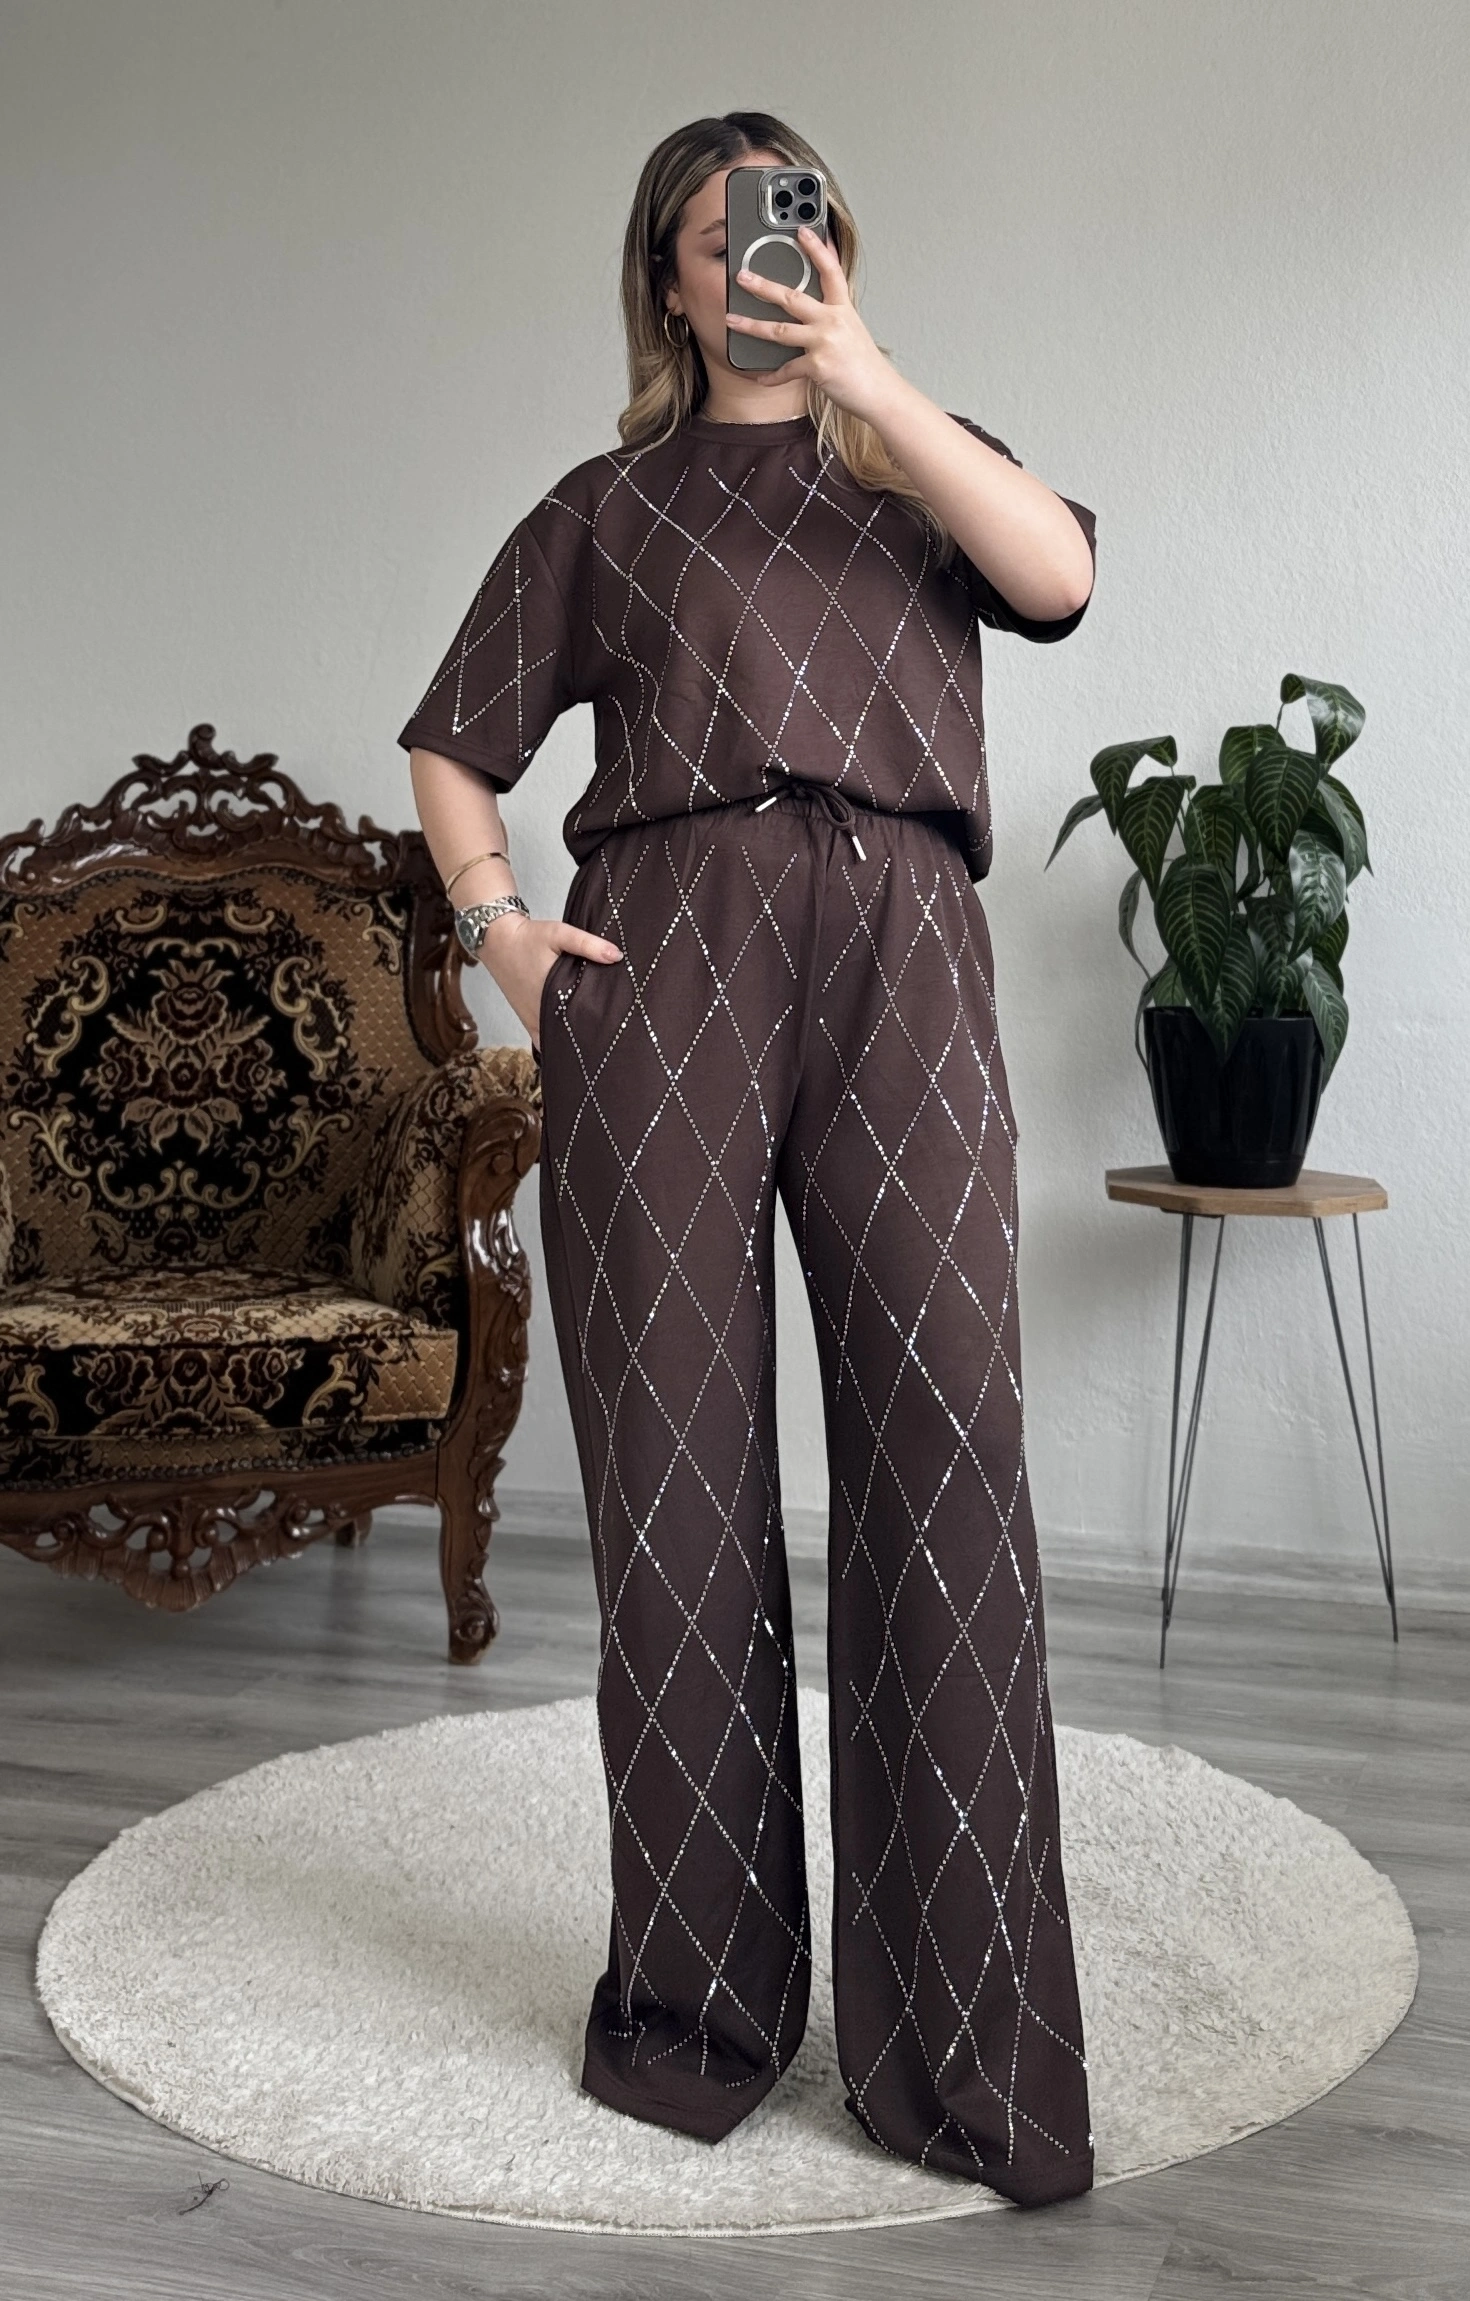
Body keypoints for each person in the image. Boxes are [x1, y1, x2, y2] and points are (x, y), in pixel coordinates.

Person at [399, 110, 1098, 2212]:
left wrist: (873, 380)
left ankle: (966, 2052)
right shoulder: (603, 510)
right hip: (664, 964)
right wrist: (501, 934)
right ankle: (695, 2013)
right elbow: (453, 739)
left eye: (793, 227)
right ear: (668, 279)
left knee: (949, 1455)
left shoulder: (920, 463)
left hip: (905, 952)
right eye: (721, 239)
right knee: (677, 1489)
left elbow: (1058, 576)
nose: (762, 264)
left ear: (836, 250)